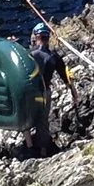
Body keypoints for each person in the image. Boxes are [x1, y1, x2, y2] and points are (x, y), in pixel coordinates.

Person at [26, 21, 69, 152]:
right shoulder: (53, 57)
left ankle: (29, 147)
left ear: (36, 37)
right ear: (48, 37)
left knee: (26, 117)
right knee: (43, 121)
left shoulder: (27, 54)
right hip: (44, 93)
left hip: (29, 92)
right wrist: (73, 91)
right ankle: (43, 151)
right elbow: (64, 77)